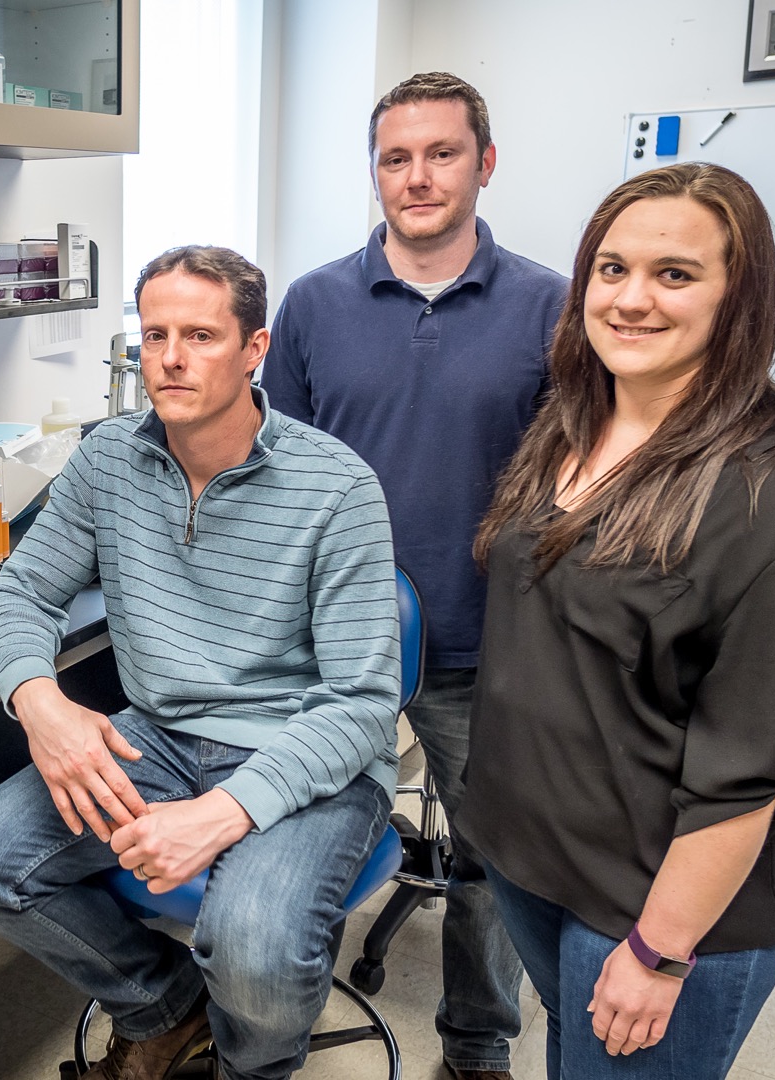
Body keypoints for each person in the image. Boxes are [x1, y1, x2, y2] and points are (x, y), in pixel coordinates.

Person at [0, 245, 404, 1080]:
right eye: (155, 335)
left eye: (200, 334)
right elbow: (19, 597)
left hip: (306, 756)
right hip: (160, 738)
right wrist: (42, 705)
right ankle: (165, 1005)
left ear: (254, 350)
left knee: (254, 947)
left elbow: (362, 704)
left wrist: (227, 811)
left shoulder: (338, 486)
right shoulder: (108, 460)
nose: (173, 359)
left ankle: (253, 1066)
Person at [460, 162, 775, 1079]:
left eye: (675, 274)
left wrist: (660, 953)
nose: (631, 299)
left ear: (742, 298)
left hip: (657, 907)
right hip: (534, 856)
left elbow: (749, 776)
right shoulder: (572, 421)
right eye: (610, 270)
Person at [260, 70, 565, 1080]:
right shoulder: (312, 304)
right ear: (376, 172)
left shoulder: (550, 307)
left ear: (484, 162)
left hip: (489, 644)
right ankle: (270, 1030)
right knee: (297, 847)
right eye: (397, 157)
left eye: (442, 153)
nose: (419, 176)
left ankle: (478, 1049)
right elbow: (279, 475)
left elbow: (580, 472)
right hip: (337, 646)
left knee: (494, 867)